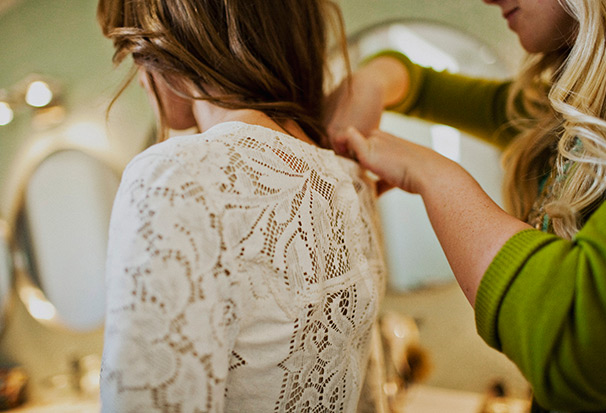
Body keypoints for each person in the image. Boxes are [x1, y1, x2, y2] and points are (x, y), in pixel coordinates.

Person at [326, 0, 606, 412]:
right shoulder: (561, 107)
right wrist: (370, 81)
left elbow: (572, 344)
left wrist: (429, 173)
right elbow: (416, 83)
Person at [96, 0, 388, 411]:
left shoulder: (176, 174)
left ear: (172, 42)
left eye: (131, 51)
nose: (140, 79)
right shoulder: (349, 180)